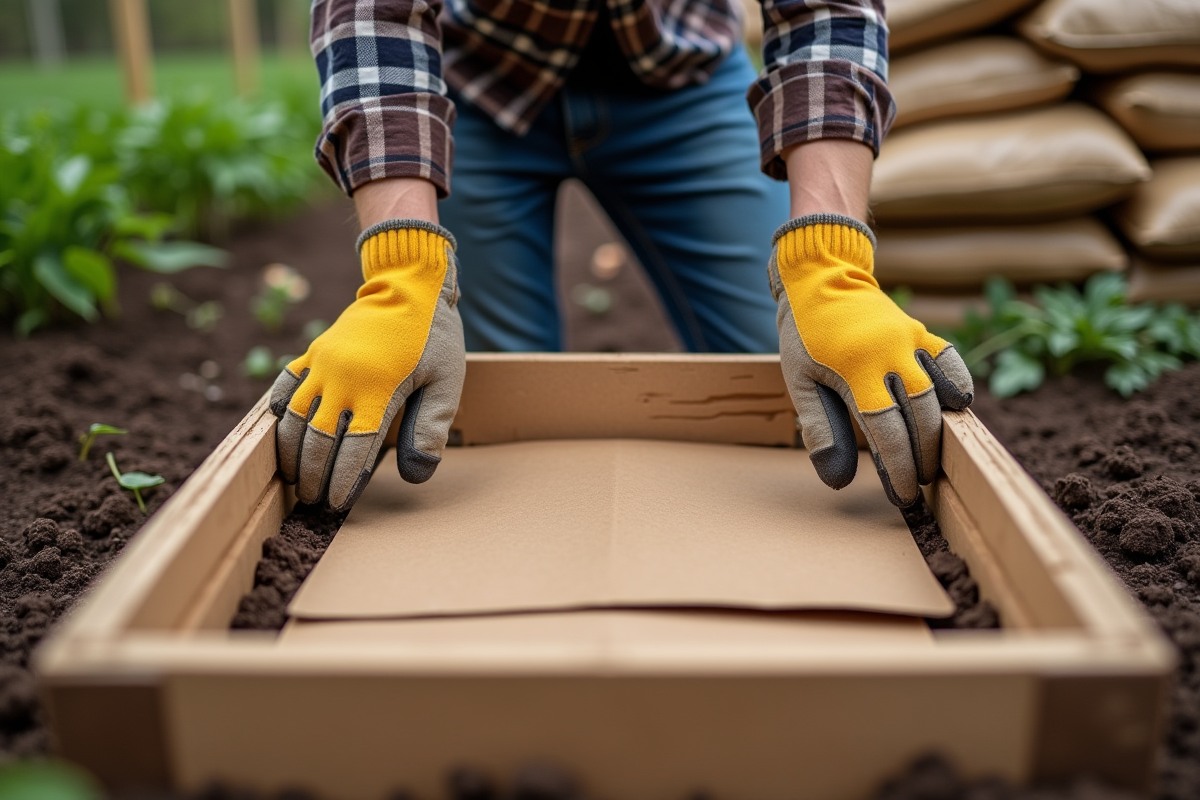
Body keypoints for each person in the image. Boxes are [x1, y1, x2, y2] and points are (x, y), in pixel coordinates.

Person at [269, 0, 975, 513]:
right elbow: (372, 12)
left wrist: (828, 263)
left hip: (679, 72)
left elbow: (825, 10)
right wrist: (403, 275)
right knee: (486, 412)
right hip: (478, 77)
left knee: (798, 385)